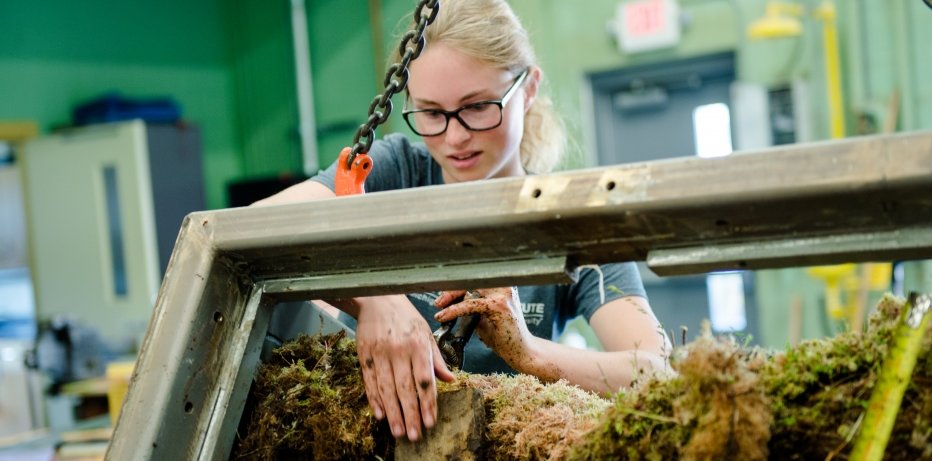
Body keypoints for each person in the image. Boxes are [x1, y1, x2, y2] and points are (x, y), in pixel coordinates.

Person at [254, 0, 671, 442]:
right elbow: (255, 229)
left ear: (527, 90)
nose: (454, 138)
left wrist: (528, 352)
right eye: (432, 113)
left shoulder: (571, 218)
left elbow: (655, 373)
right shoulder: (398, 171)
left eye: (477, 108)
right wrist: (376, 299)